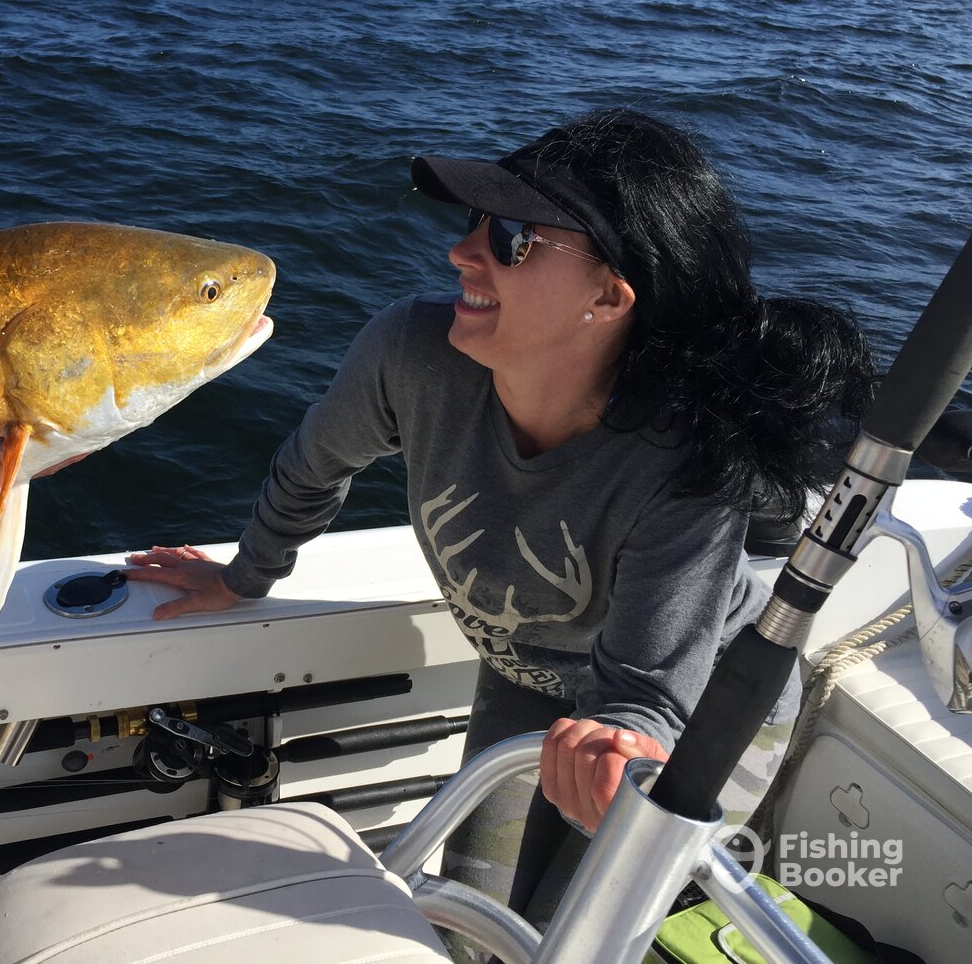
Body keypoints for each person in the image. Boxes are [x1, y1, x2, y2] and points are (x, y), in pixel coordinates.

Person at [125, 108, 876, 953]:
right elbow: (312, 466)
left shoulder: (688, 460)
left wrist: (619, 753)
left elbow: (649, 694)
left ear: (609, 295)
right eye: (475, 220)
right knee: (470, 927)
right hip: (529, 679)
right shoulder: (410, 355)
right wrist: (245, 576)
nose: (462, 251)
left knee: (571, 938)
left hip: (703, 715)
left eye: (514, 238)